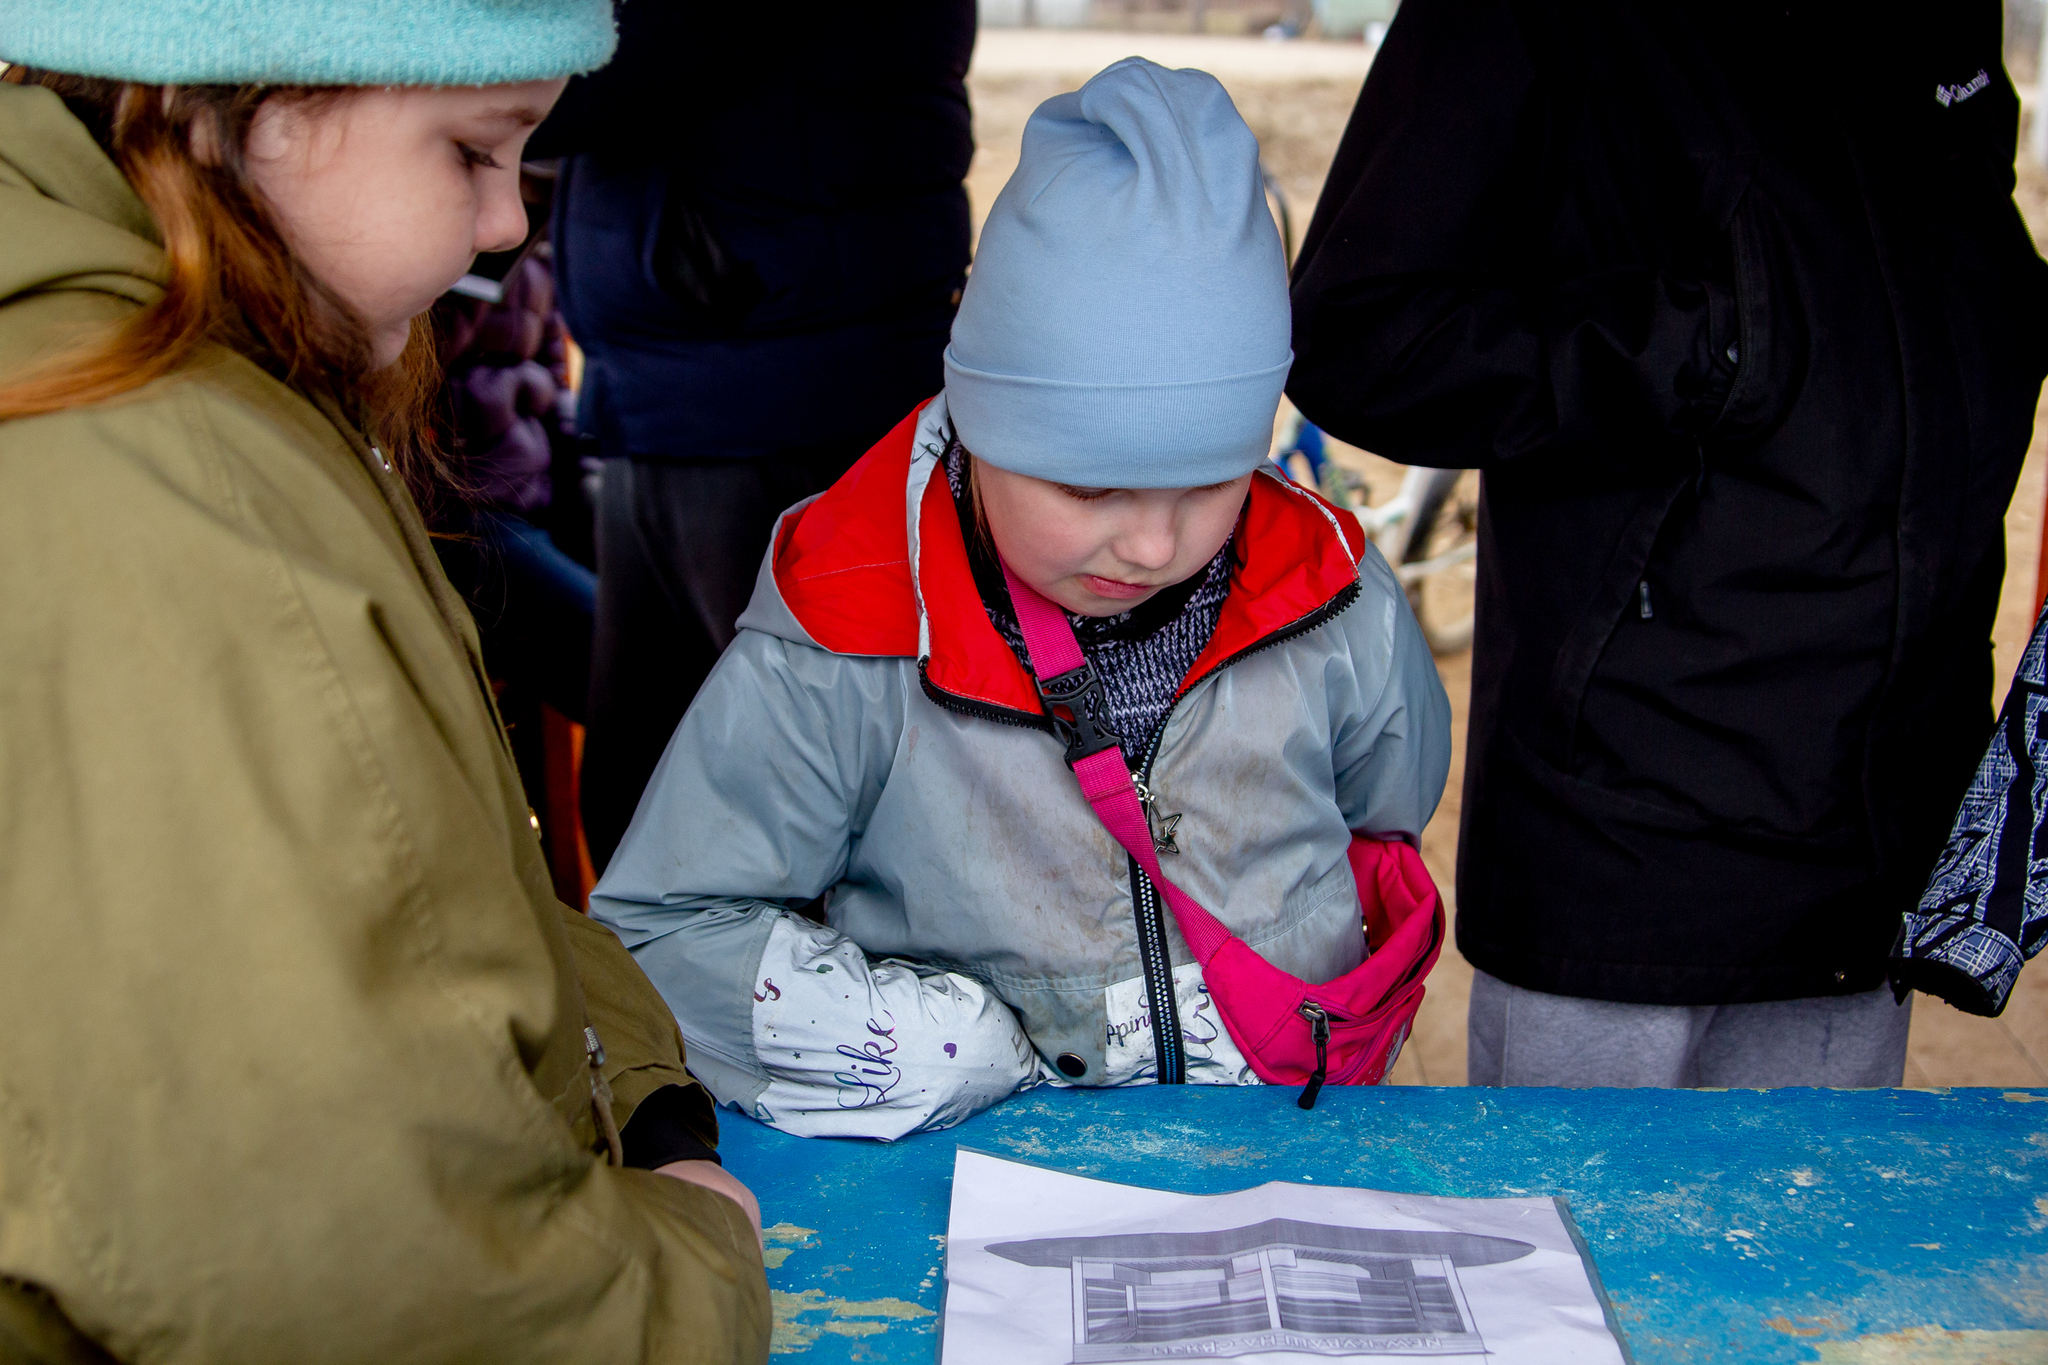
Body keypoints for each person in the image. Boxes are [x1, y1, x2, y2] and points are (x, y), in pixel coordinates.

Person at [0, 5, 769, 1360]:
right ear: (249, 97)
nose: (505, 228)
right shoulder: (178, 507)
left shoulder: (184, 390)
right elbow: (376, 1287)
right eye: (474, 151)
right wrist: (689, 1275)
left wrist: (634, 1085)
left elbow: (443, 875)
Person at [588, 60, 1452, 1141]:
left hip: (1292, 1143)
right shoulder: (849, 630)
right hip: (980, 1187)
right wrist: (916, 1044)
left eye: (1207, 483)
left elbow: (1387, 805)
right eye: (1087, 485)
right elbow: (662, 922)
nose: (1148, 543)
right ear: (981, 417)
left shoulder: (1333, 594)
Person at [1287, 0, 2048, 1086]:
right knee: (1584, 1249)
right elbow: (1357, 334)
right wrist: (1697, 350)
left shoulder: (1942, 15)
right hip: (1630, 832)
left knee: (1814, 1246)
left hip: (1875, 821)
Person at [528, 1, 978, 871]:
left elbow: (579, 69)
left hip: (778, 391)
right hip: (685, 386)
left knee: (802, 824)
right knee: (644, 806)